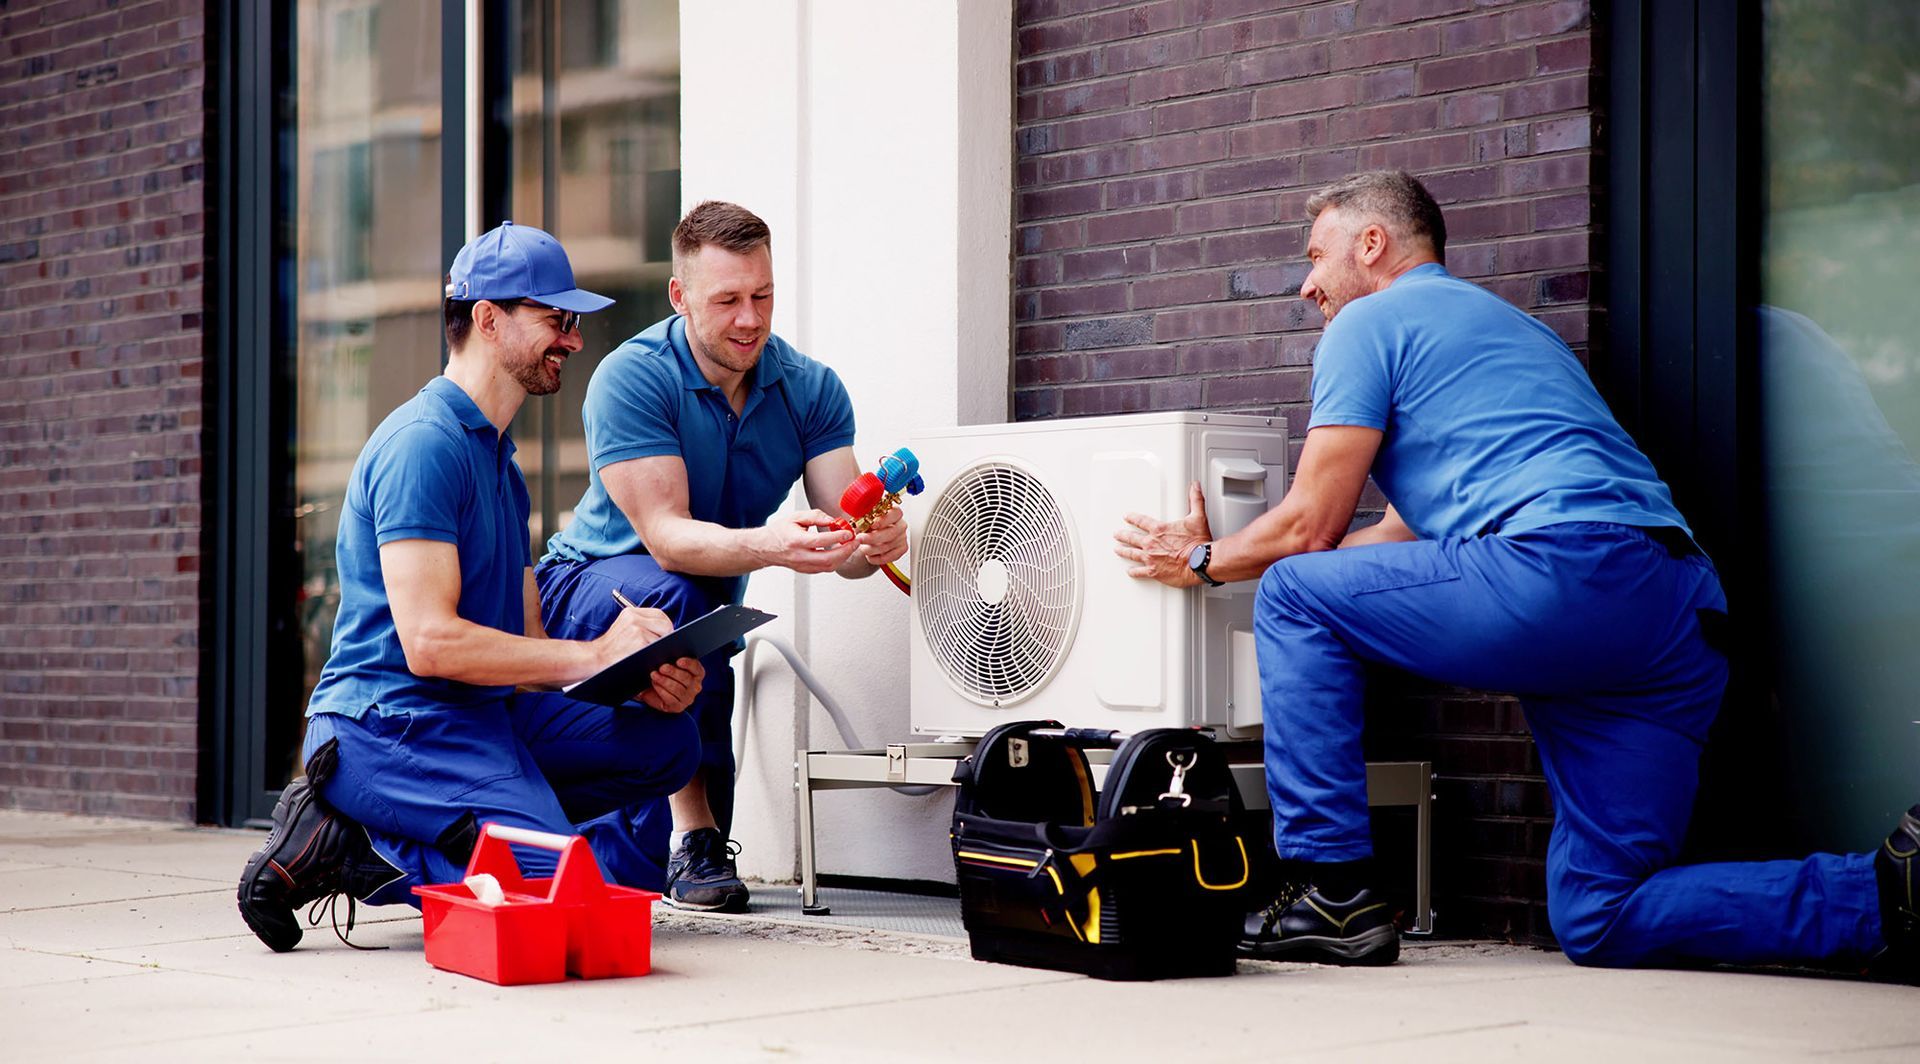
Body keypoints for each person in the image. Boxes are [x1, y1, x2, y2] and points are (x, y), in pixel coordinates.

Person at [1113, 169, 1920, 976]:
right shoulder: (1510, 332)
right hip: (1674, 611)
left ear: (1373, 243)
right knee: (1600, 913)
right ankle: (1885, 896)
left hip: (1559, 573)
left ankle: (1331, 889)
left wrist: (1201, 561)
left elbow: (1310, 527)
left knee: (1290, 594)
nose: (1306, 284)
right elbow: (1388, 542)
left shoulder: (1368, 325)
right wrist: (1276, 562)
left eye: (1316, 256)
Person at [237, 222, 707, 952]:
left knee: (669, 743)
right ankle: (351, 839)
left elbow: (527, 649)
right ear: (488, 319)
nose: (574, 341)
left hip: (483, 718)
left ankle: (415, 825)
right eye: (557, 320)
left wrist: (628, 676)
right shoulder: (422, 446)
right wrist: (592, 654)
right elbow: (429, 644)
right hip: (391, 725)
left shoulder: (500, 463)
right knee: (548, 898)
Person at [536, 201, 909, 912]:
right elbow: (668, 538)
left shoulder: (811, 389)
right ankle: (694, 834)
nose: (750, 319)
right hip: (584, 590)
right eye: (728, 300)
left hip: (698, 616)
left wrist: (876, 540)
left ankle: (670, 845)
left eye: (762, 296)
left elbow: (847, 536)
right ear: (679, 297)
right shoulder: (632, 378)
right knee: (680, 593)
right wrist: (773, 545)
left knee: (636, 879)